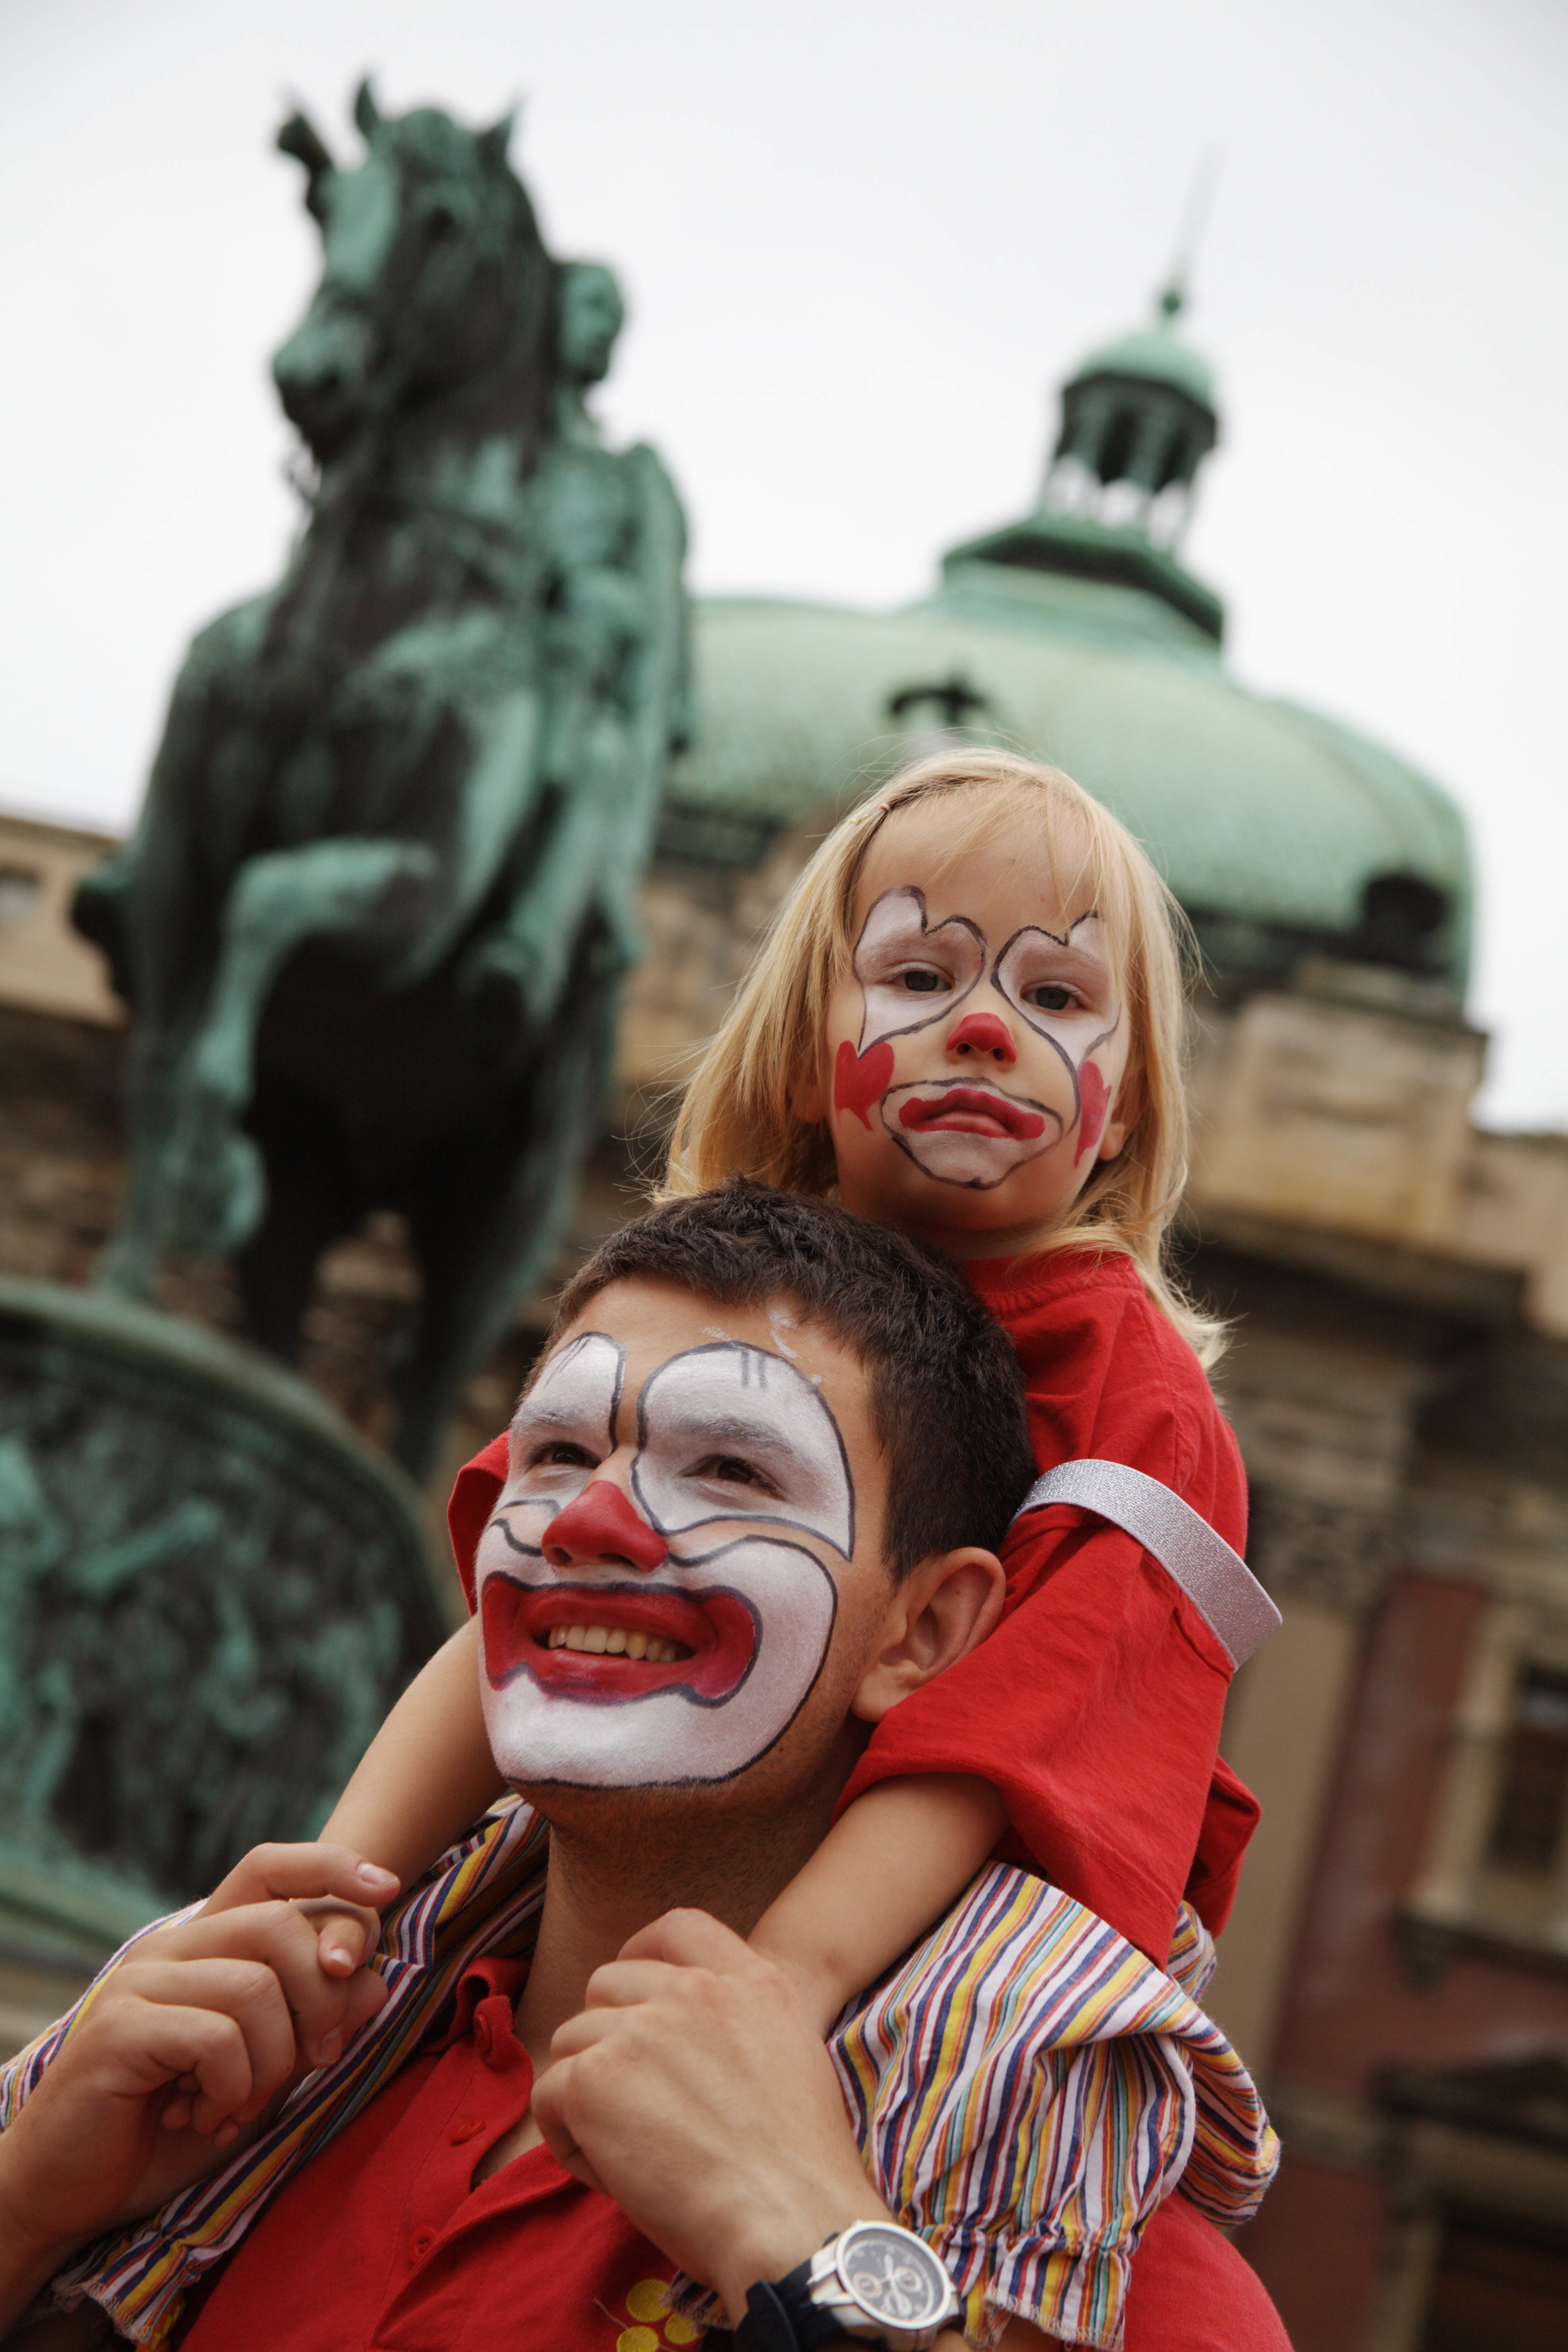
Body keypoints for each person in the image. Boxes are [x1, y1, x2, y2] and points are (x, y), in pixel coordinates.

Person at [0, 1189, 1284, 2350]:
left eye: (731, 1469)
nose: (588, 1523)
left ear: (924, 1632)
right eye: (558, 1455)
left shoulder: (1117, 2276)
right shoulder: (235, 2090)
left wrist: (812, 2245)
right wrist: (28, 2215)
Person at [322, 748, 1274, 2032]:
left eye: (1055, 994)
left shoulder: (1143, 1401)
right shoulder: (721, 1296)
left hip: (955, 1989)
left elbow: (1016, 1736)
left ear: (1125, 1112)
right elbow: (525, 1593)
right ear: (800, 1062)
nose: (984, 1025)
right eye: (920, 977)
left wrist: (784, 1981)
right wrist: (340, 1890)